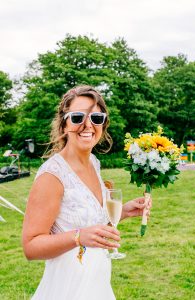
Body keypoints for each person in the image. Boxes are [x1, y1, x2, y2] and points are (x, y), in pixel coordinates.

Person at [22, 85, 151, 300]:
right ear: (64, 124)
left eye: (97, 118)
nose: (88, 125)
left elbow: (91, 222)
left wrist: (125, 211)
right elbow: (31, 246)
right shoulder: (52, 176)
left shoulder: (94, 162)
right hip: (67, 289)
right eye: (78, 117)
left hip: (97, 284)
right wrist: (78, 237)